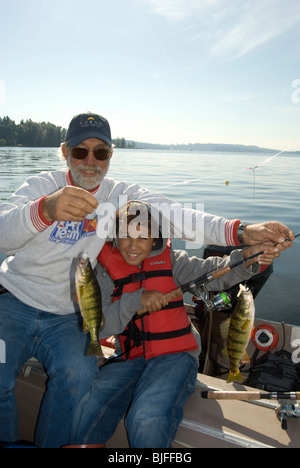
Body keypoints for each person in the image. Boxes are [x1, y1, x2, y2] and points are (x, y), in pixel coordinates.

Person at [0, 112, 293, 448]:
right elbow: (2, 235)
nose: (91, 161)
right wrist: (45, 209)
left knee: (79, 378)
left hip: (71, 317)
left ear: (111, 155)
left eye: (102, 152)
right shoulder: (40, 186)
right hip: (14, 302)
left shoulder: (121, 197)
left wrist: (241, 232)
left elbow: (181, 217)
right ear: (65, 151)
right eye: (81, 151)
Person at [70, 201, 278, 448]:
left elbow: (215, 274)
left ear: (156, 238)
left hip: (176, 357)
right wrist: (133, 301)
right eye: (125, 236)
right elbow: (99, 329)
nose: (133, 245)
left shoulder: (174, 262)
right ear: (115, 236)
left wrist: (248, 257)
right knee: (88, 404)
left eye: (143, 237)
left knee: (145, 416)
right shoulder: (102, 274)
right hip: (129, 356)